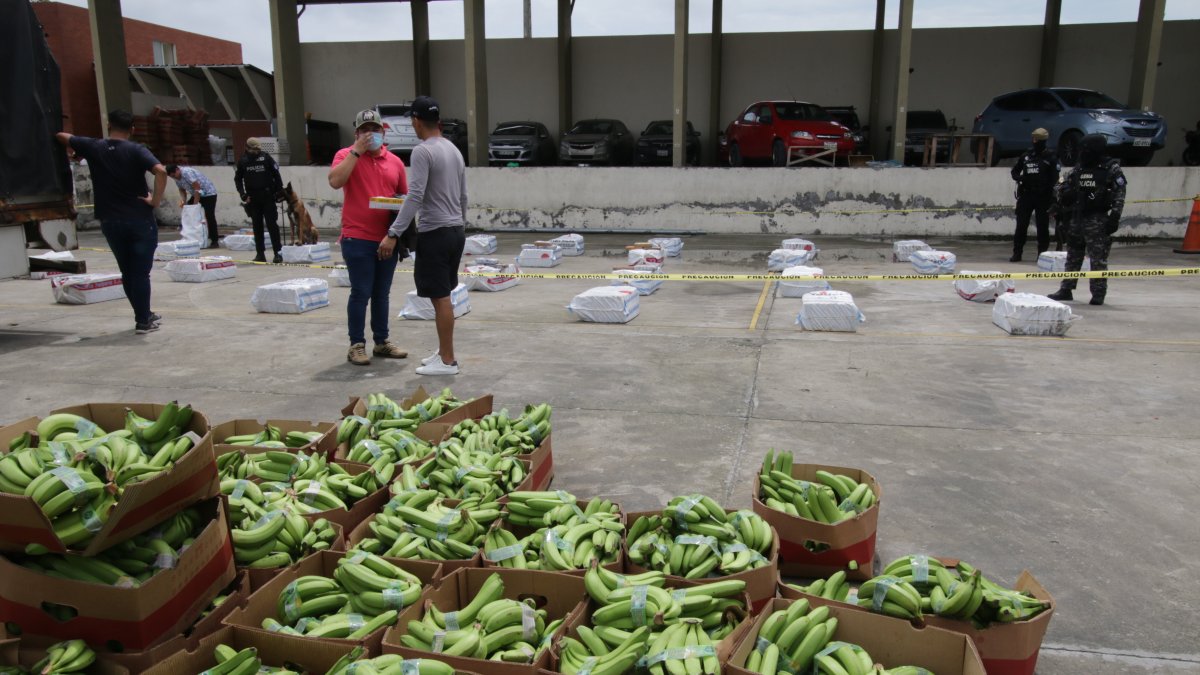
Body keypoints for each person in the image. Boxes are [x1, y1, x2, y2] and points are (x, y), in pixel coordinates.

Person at [55, 110, 167, 334]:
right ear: (132, 129)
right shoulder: (137, 150)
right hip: (139, 218)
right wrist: (155, 200)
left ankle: (143, 314)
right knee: (140, 273)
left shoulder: (94, 146)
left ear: (108, 125)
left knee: (127, 271)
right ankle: (143, 320)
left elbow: (61, 136)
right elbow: (161, 171)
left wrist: (74, 150)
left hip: (110, 220)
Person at [380, 96, 467, 376]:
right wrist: (459, 226)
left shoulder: (422, 151)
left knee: (440, 298)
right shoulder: (453, 150)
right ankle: (443, 352)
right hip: (455, 231)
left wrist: (394, 232)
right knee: (442, 295)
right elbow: (463, 196)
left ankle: (448, 360)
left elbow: (415, 196)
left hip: (436, 232)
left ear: (416, 121)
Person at [328, 109, 411, 366]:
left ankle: (382, 341)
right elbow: (335, 181)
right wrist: (356, 151)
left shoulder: (394, 162)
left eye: (374, 130)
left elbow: (405, 199)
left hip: (387, 237)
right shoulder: (345, 155)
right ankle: (356, 344)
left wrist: (394, 236)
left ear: (382, 133)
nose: (370, 135)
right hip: (357, 237)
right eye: (364, 130)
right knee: (361, 292)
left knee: (381, 293)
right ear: (356, 134)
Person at [1048, 134, 1126, 306]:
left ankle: (1098, 293)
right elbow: (1060, 184)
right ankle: (1066, 289)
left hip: (1097, 220)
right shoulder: (1079, 168)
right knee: (1073, 255)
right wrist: (1064, 193)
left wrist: (1115, 216)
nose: (1083, 153)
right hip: (1077, 217)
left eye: (1086, 150)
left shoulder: (1111, 168)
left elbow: (1120, 194)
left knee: (1098, 258)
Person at [1009, 128, 1059, 262]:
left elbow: (1055, 178)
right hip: (1026, 194)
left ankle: (1041, 254)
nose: (1034, 141)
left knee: (1042, 227)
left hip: (1043, 196)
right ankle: (1017, 252)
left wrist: (1052, 196)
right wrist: (1021, 179)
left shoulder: (1050, 157)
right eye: (1034, 139)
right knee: (1021, 225)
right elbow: (1014, 172)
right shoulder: (1026, 156)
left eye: (1037, 139)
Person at [234, 138, 284, 263]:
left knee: (272, 225)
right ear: (247, 148)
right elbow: (238, 179)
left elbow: (276, 175)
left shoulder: (266, 158)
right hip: (253, 198)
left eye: (258, 149)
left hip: (268, 196)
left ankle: (278, 253)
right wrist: (243, 195)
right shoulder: (243, 161)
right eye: (254, 149)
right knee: (257, 227)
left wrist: (279, 192)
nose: (256, 152)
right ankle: (260, 254)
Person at [166, 164, 219, 248]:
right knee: (188, 211)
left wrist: (195, 204)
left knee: (209, 216)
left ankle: (214, 240)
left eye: (174, 175)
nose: (174, 178)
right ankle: (193, 236)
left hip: (208, 194)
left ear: (177, 169)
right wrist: (183, 201)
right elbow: (182, 189)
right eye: (172, 177)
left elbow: (197, 188)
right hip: (196, 194)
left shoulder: (187, 172)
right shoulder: (176, 178)